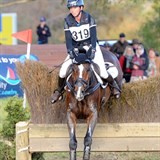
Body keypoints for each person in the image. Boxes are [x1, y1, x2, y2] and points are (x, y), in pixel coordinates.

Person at [51, 0, 121, 103]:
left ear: (81, 8)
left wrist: (93, 49)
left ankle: (114, 86)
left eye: (75, 7)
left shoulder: (89, 18)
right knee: (62, 72)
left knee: (103, 72)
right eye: (70, 8)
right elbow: (68, 39)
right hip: (76, 48)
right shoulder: (67, 21)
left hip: (91, 46)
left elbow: (93, 36)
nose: (72, 10)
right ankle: (59, 91)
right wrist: (70, 51)